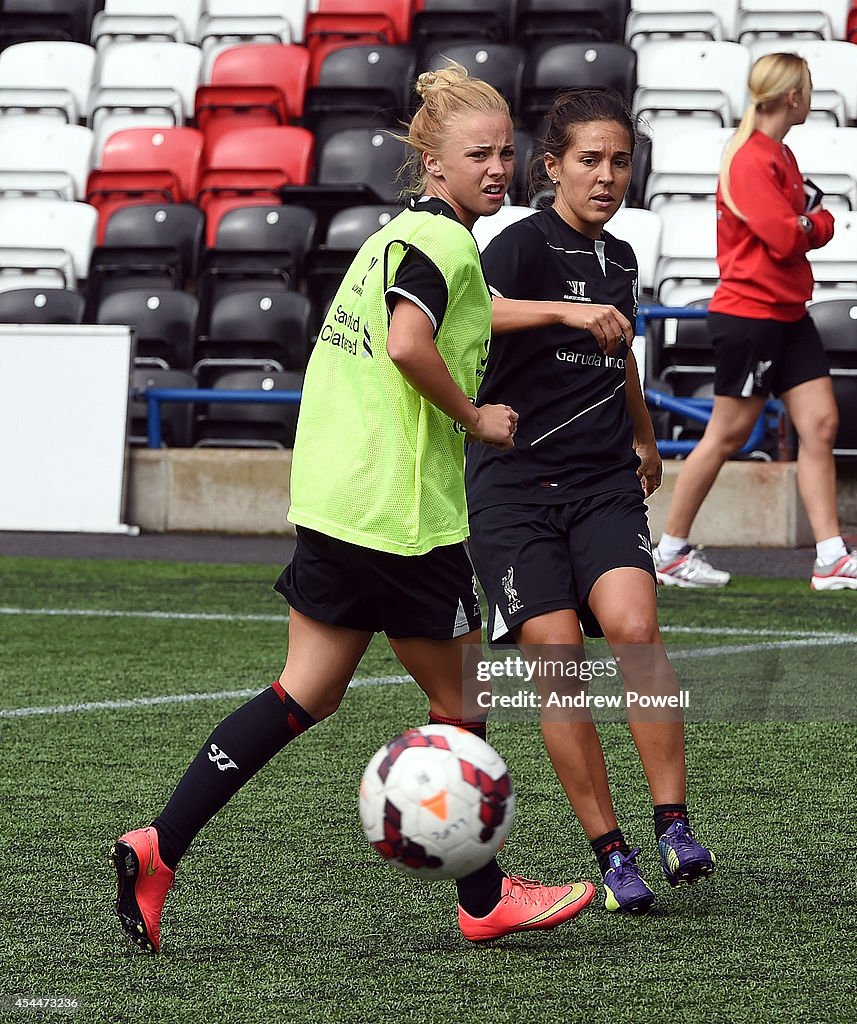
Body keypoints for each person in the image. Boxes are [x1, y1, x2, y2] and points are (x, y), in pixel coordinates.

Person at [110, 64, 596, 954]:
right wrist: (478, 418)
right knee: (465, 704)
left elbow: (470, 308)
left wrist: (567, 313)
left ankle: (159, 845)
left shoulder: (396, 239)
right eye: (476, 155)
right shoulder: (448, 244)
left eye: (505, 153)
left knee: (306, 690)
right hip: (403, 515)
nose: (497, 168)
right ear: (433, 163)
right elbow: (413, 344)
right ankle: (485, 897)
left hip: (335, 500)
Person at [465, 87, 717, 915]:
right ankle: (610, 852)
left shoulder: (620, 259)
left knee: (637, 631)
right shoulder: (517, 245)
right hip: (514, 489)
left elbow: (621, 354)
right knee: (559, 662)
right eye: (589, 161)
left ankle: (673, 823)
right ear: (552, 167)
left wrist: (644, 437)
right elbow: (472, 317)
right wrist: (565, 310)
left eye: (619, 162)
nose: (607, 176)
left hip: (603, 479)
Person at [653, 52, 857, 591]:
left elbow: (799, 227)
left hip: (788, 313)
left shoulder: (779, 154)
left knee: (820, 421)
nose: (813, 97)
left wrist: (806, 223)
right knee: (728, 432)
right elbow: (785, 236)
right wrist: (814, 222)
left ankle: (830, 557)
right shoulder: (752, 158)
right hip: (750, 315)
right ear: (792, 96)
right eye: (809, 88)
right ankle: (671, 551)